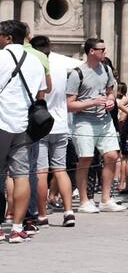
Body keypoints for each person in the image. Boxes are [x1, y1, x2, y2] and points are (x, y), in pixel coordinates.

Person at [65, 38, 124, 214]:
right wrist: (92, 102)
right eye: (102, 49)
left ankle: (106, 199)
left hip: (104, 119)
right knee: (85, 158)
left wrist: (111, 101)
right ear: (91, 51)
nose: (105, 52)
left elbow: (110, 92)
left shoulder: (106, 69)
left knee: (112, 156)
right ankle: (84, 200)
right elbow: (69, 104)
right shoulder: (77, 73)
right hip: (84, 120)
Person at [0, 20, 47, 244]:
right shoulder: (36, 61)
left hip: (1, 121)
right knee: (21, 176)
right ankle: (17, 228)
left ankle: (0, 228)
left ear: (8, 38)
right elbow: (41, 94)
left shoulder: (0, 57)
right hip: (24, 124)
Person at [27, 37, 77, 228]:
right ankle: (69, 212)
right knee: (60, 169)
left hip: (40, 124)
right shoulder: (61, 66)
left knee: (41, 171)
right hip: (61, 124)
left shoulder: (35, 66)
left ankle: (41, 214)